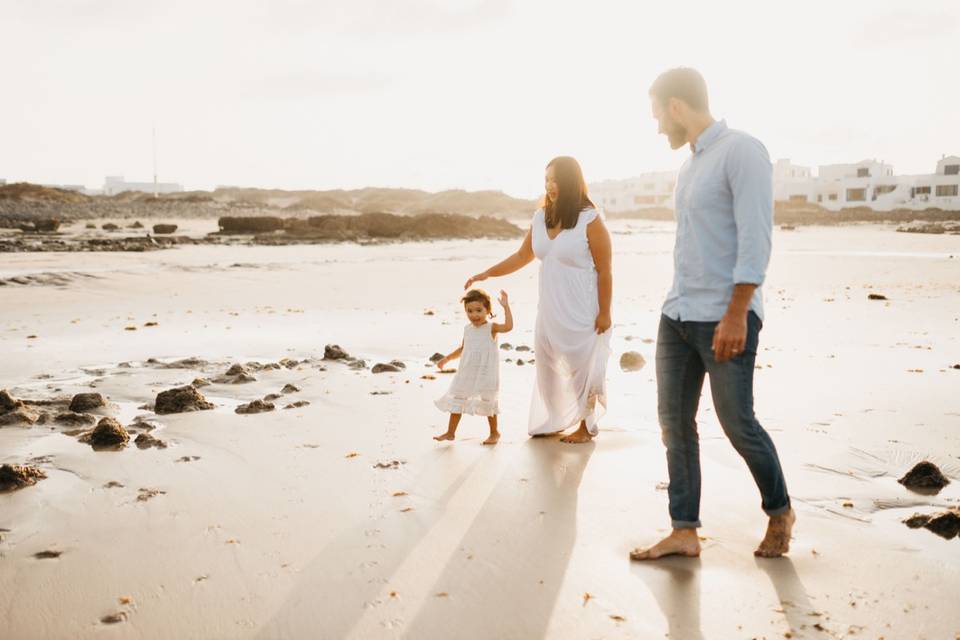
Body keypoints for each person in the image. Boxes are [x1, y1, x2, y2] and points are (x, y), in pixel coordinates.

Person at [630, 67, 795, 561]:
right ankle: (684, 530)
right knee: (674, 424)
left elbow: (755, 236)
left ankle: (780, 511)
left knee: (737, 422)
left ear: (677, 106)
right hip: (677, 313)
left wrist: (737, 311)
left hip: (724, 314)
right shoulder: (690, 166)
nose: (658, 125)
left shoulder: (742, 151)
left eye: (658, 113)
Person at [465, 156, 612, 444]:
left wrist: (604, 311)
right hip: (550, 307)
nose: (549, 185)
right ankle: (556, 419)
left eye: (555, 179)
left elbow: (605, 270)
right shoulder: (540, 217)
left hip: (584, 307)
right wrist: (487, 273)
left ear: (570, 181)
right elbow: (523, 256)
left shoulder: (590, 219)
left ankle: (586, 425)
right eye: (546, 180)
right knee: (547, 363)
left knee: (584, 366)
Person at [433, 289, 512, 445]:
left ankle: (494, 432)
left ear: (487, 310)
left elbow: (509, 327)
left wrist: (506, 306)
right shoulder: (467, 329)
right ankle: (450, 433)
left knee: (487, 400)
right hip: (467, 371)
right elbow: (463, 348)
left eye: (478, 310)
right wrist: (447, 359)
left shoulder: (492, 328)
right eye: (469, 311)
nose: (474, 315)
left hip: (486, 372)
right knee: (458, 398)